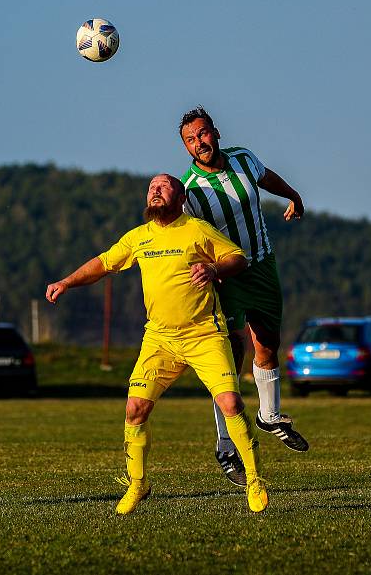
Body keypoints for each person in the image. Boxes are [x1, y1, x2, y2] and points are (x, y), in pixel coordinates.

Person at [46, 174, 269, 514]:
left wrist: (213, 268)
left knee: (231, 404)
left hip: (204, 334)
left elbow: (237, 257)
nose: (155, 190)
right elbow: (104, 263)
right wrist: (66, 281)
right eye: (151, 187)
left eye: (164, 186)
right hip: (160, 339)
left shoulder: (197, 229)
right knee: (135, 409)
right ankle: (138, 485)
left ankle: (254, 480)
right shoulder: (139, 237)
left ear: (180, 198)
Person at [178, 107, 309, 487]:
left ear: (215, 133)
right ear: (186, 147)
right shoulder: (190, 189)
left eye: (202, 134)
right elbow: (185, 235)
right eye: (190, 140)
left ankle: (270, 417)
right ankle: (226, 445)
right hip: (224, 278)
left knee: (267, 343)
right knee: (230, 356)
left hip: (263, 265)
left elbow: (266, 178)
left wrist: (294, 196)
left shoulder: (242, 159)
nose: (199, 143)